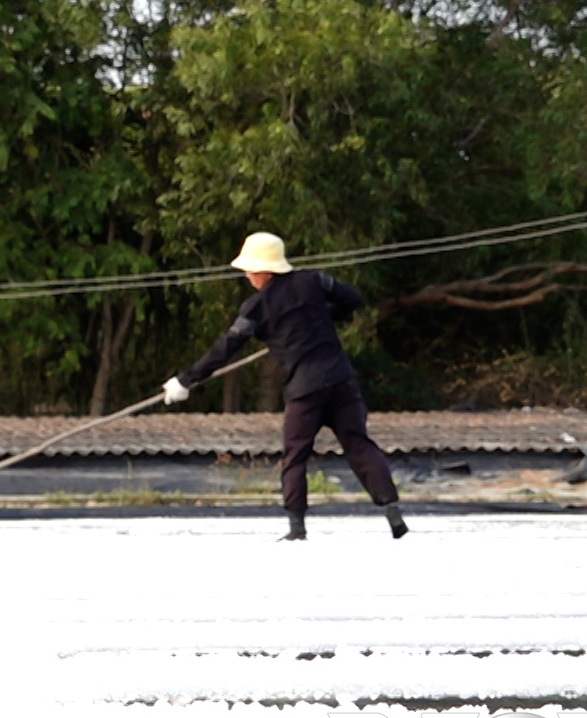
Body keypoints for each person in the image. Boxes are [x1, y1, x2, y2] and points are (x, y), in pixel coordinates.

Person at [163, 232, 407, 541]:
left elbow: (226, 347)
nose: (248, 275)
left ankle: (296, 528)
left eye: (250, 269)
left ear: (265, 270)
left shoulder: (256, 307)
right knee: (359, 444)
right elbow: (353, 300)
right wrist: (325, 319)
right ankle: (393, 514)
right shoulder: (314, 282)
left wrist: (185, 380)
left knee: (295, 456)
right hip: (341, 380)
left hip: (305, 391)